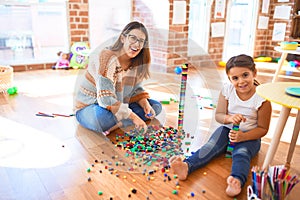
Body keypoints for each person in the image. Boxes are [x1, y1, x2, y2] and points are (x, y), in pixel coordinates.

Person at [169, 54, 272, 197]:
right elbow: (219, 116)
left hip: (250, 136)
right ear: (229, 79)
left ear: (254, 73)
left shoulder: (262, 99)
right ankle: (187, 166)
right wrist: (229, 118)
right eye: (235, 78)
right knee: (209, 147)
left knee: (241, 155)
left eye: (245, 75)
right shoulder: (227, 90)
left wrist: (243, 136)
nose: (241, 81)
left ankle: (237, 180)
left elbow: (263, 129)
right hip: (227, 129)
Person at [74, 21, 162, 134]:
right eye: (133, 38)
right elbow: (105, 99)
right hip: (90, 106)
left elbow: (136, 89)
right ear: (122, 38)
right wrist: (134, 117)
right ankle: (122, 121)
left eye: (141, 41)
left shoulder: (136, 62)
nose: (137, 44)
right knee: (102, 119)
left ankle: (119, 123)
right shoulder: (107, 58)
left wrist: (145, 104)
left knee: (156, 107)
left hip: (116, 104)